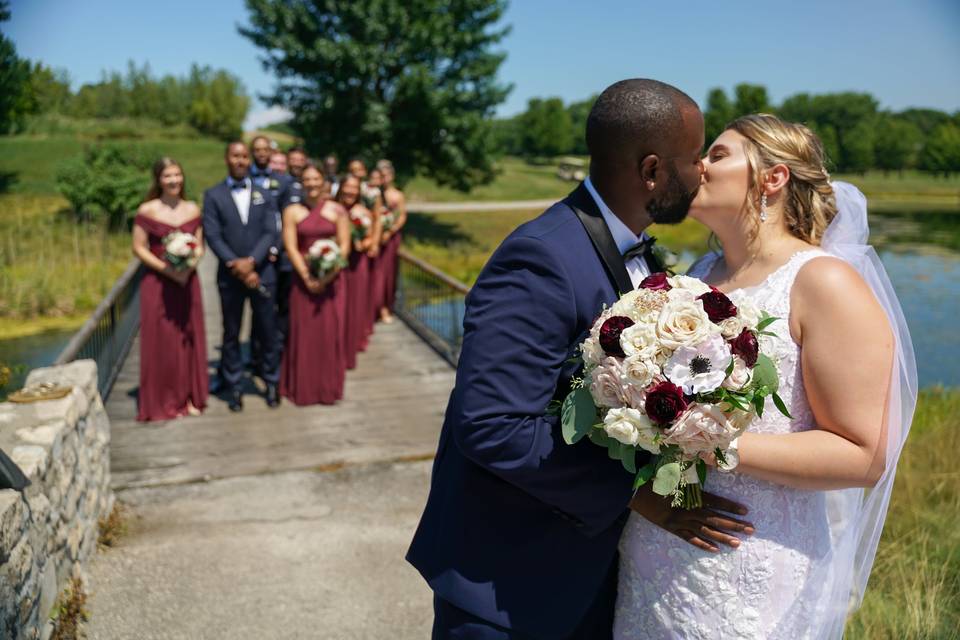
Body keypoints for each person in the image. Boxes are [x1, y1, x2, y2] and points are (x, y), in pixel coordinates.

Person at [407, 80, 748, 639]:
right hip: (509, 582)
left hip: (589, 576)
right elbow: (492, 425)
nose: (702, 172)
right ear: (653, 171)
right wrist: (641, 499)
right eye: (693, 159)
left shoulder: (642, 255)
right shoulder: (541, 256)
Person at [614, 114, 916, 639]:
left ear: (772, 178)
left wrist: (710, 440)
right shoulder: (695, 278)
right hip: (655, 553)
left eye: (719, 154)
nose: (698, 166)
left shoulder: (823, 282)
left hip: (749, 560)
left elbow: (865, 454)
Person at [202, 141, 281, 412]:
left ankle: (271, 382)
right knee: (231, 332)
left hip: (263, 274)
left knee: (268, 331)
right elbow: (213, 235)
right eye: (235, 156)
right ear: (226, 159)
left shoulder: (265, 193)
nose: (241, 160)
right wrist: (235, 264)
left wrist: (252, 262)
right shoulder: (213, 195)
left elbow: (271, 231)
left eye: (244, 156)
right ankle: (233, 385)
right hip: (229, 276)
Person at [132, 158, 208, 421]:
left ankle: (189, 397)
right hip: (158, 282)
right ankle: (163, 399)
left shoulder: (192, 208)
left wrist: (187, 269)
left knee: (188, 336)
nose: (174, 180)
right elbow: (139, 247)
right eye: (168, 176)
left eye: (177, 175)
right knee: (163, 341)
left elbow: (199, 245)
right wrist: (167, 270)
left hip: (188, 282)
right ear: (158, 180)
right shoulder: (148, 210)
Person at [279, 165, 351, 405]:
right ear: (301, 182)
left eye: (315, 179)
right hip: (303, 283)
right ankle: (304, 387)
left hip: (332, 283)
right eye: (307, 179)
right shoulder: (291, 211)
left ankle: (327, 388)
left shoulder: (338, 210)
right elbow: (290, 246)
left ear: (323, 181)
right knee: (305, 333)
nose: (311, 183)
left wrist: (326, 277)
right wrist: (307, 277)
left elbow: (345, 246)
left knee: (330, 333)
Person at [336, 173, 380, 369]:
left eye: (355, 188)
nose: (350, 191)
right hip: (337, 265)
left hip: (357, 264)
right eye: (347, 187)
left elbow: (371, 238)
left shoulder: (364, 211)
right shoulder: (333, 209)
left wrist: (365, 242)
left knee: (355, 305)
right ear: (341, 188)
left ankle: (350, 347)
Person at [375, 160, 407, 324]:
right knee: (376, 274)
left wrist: (390, 230)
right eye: (381, 175)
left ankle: (387, 306)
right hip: (375, 238)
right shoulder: (374, 193)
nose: (384, 178)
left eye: (386, 175)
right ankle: (376, 308)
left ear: (392, 176)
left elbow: (402, 216)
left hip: (390, 239)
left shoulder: (398, 195)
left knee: (388, 273)